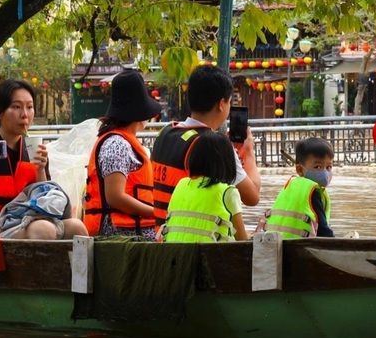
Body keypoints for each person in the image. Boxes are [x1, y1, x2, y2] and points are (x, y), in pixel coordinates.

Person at [0, 79, 88, 239]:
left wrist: (41, 169)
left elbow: (42, 201)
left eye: (30, 107)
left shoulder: (33, 149)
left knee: (77, 227)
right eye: (16, 107)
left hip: (20, 221)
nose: (25, 115)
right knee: (43, 229)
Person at [150, 65, 261, 233]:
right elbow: (252, 197)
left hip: (163, 238)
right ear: (221, 104)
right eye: (230, 102)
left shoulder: (165, 133)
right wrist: (249, 154)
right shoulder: (215, 146)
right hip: (196, 244)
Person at [83, 70, 161, 239]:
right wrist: (157, 212)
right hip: (121, 240)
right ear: (139, 114)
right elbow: (115, 197)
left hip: (133, 236)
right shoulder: (117, 144)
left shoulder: (121, 141)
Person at [160, 131, 249, 242]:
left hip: (174, 256)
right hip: (210, 258)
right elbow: (242, 240)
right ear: (227, 162)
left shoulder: (181, 184)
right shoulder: (227, 192)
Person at [258, 136, 335, 239]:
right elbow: (323, 232)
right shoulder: (312, 192)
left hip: (274, 244)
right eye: (317, 167)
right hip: (299, 248)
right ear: (299, 169)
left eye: (328, 167)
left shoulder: (290, 186)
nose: (325, 173)